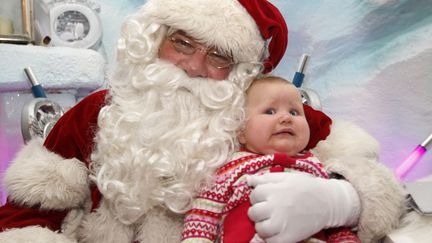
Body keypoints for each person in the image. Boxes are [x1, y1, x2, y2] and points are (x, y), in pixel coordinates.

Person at [0, 0, 405, 243]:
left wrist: (340, 201)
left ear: (239, 70)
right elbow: (26, 216)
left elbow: (375, 180)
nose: (194, 67)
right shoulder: (94, 112)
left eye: (218, 57)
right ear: (154, 39)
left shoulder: (261, 114)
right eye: (182, 43)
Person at [181, 76, 360, 243]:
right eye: (270, 111)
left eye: (295, 112)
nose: (286, 118)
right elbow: (202, 218)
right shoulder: (228, 167)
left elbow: (336, 225)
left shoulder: (317, 168)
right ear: (241, 130)